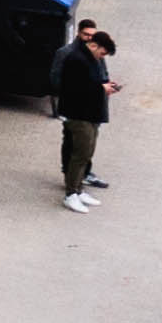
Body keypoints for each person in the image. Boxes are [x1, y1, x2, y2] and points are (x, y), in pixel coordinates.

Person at [53, 19, 118, 211]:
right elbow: (75, 88)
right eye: (102, 53)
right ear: (93, 45)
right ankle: (71, 193)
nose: (102, 57)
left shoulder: (89, 58)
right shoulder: (76, 59)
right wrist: (101, 88)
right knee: (80, 153)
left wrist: (104, 86)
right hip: (78, 114)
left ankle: (78, 190)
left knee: (85, 152)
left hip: (89, 114)